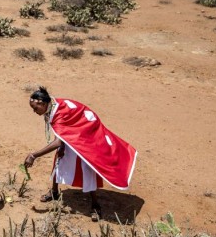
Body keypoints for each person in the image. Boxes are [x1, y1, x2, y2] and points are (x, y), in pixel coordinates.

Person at [24, 86, 137, 222]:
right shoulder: (53, 105)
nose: (34, 111)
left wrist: (33, 155)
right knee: (60, 158)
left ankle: (95, 205)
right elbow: (62, 138)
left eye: (35, 108)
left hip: (87, 133)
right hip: (77, 130)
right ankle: (54, 192)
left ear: (42, 103)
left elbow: (58, 142)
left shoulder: (59, 113)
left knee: (87, 165)